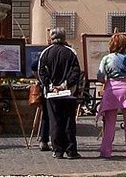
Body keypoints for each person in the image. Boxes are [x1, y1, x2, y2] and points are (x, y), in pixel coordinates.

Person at [37, 27, 82, 159]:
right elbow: (76, 71)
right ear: (64, 37)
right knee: (69, 121)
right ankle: (71, 150)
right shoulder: (71, 52)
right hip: (69, 93)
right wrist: (65, 85)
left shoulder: (45, 52)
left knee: (55, 121)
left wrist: (51, 85)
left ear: (51, 38)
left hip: (51, 94)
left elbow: (41, 72)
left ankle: (57, 150)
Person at [96, 33, 126, 159]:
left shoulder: (106, 59)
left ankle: (106, 151)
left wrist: (108, 81)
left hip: (111, 91)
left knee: (109, 123)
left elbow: (100, 76)